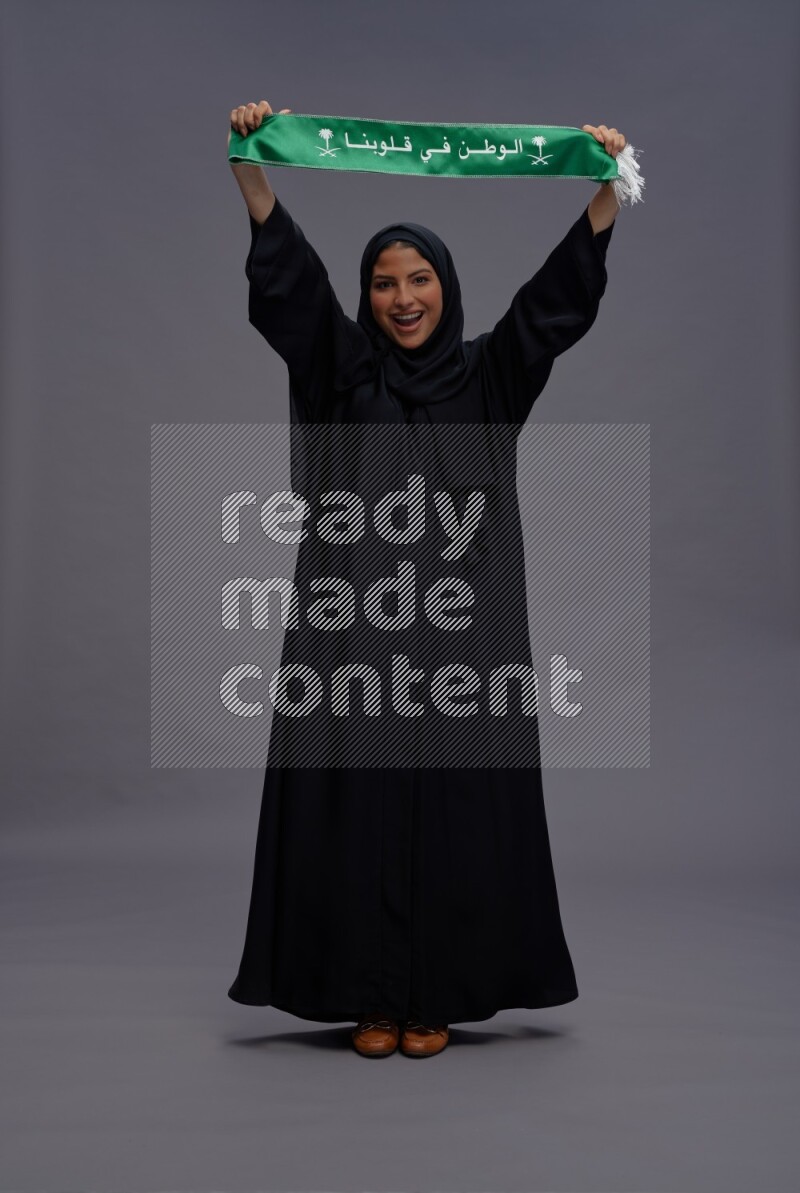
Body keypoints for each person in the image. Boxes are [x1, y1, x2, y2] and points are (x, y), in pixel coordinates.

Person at [226, 99, 625, 1059]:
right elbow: (292, 291)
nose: (403, 298)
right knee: (355, 807)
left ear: (446, 285)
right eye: (384, 283)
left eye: (419, 280)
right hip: (352, 635)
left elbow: (552, 308)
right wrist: (253, 174)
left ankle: (433, 993)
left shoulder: (490, 382)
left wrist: (607, 192)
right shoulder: (340, 375)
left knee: (456, 812)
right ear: (368, 299)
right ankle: (370, 997)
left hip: (462, 644)